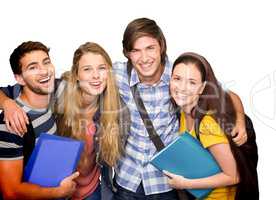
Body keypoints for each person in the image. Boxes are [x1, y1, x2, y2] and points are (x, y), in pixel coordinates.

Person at [112, 18, 248, 200]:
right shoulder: (117, 74)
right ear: (127, 54)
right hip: (127, 180)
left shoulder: (179, 74)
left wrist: (240, 119)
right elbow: (83, 77)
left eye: (150, 48)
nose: (144, 58)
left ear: (161, 46)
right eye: (136, 50)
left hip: (166, 183)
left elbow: (225, 94)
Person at [165, 52, 259, 199]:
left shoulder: (207, 125)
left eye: (192, 82)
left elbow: (233, 176)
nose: (182, 88)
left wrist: (184, 184)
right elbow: (228, 93)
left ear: (202, 88)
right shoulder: (185, 110)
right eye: (177, 79)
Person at [0, 41, 79, 199]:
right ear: (20, 79)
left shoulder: (52, 91)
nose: (44, 71)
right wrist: (59, 192)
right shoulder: (11, 123)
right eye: (33, 67)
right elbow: (11, 192)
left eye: (46, 62)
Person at [54, 42, 128, 200]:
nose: (96, 76)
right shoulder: (59, 93)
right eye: (87, 69)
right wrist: (7, 103)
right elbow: (12, 91)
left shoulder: (114, 108)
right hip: (57, 190)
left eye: (101, 68)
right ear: (76, 74)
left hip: (93, 191)